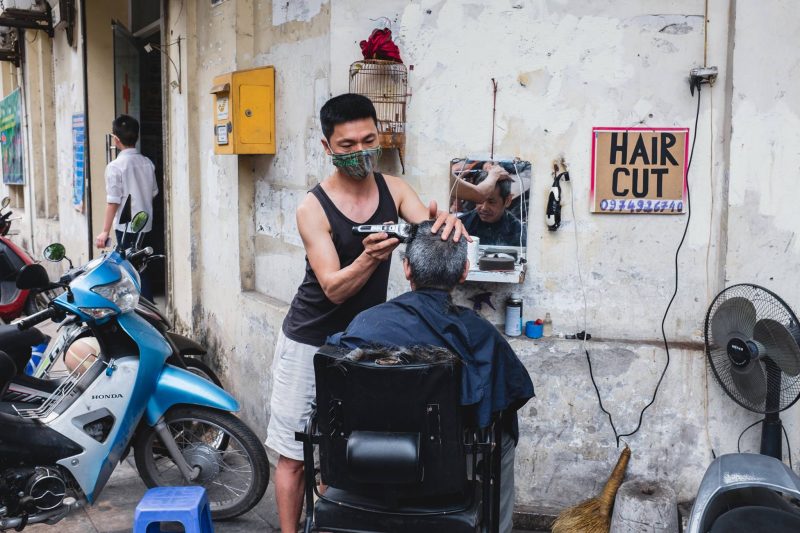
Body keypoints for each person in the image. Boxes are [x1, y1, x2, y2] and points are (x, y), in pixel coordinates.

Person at [266, 93, 467, 533]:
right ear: (327, 147)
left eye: (368, 140)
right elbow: (333, 288)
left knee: (344, 451)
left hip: (364, 344)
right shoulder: (312, 207)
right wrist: (369, 258)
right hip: (308, 340)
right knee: (294, 455)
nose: (360, 152)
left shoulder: (396, 190)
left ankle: (329, 523)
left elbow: (428, 239)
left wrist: (447, 224)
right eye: (347, 145)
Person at [329, 220, 534, 533]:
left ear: (407, 269)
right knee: (503, 435)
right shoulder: (479, 334)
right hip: (443, 474)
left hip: (367, 462)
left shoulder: (365, 324)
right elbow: (509, 395)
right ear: (464, 272)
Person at [94, 114, 158, 300]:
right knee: (142, 267)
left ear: (116, 139)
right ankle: (146, 305)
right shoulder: (147, 163)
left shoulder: (115, 166)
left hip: (127, 228)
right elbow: (154, 192)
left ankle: (141, 307)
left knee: (131, 271)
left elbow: (113, 202)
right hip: (146, 225)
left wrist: (104, 231)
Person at [461, 171, 526, 246]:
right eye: (480, 200)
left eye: (491, 202)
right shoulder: (462, 225)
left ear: (508, 201)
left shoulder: (519, 233)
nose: (484, 207)